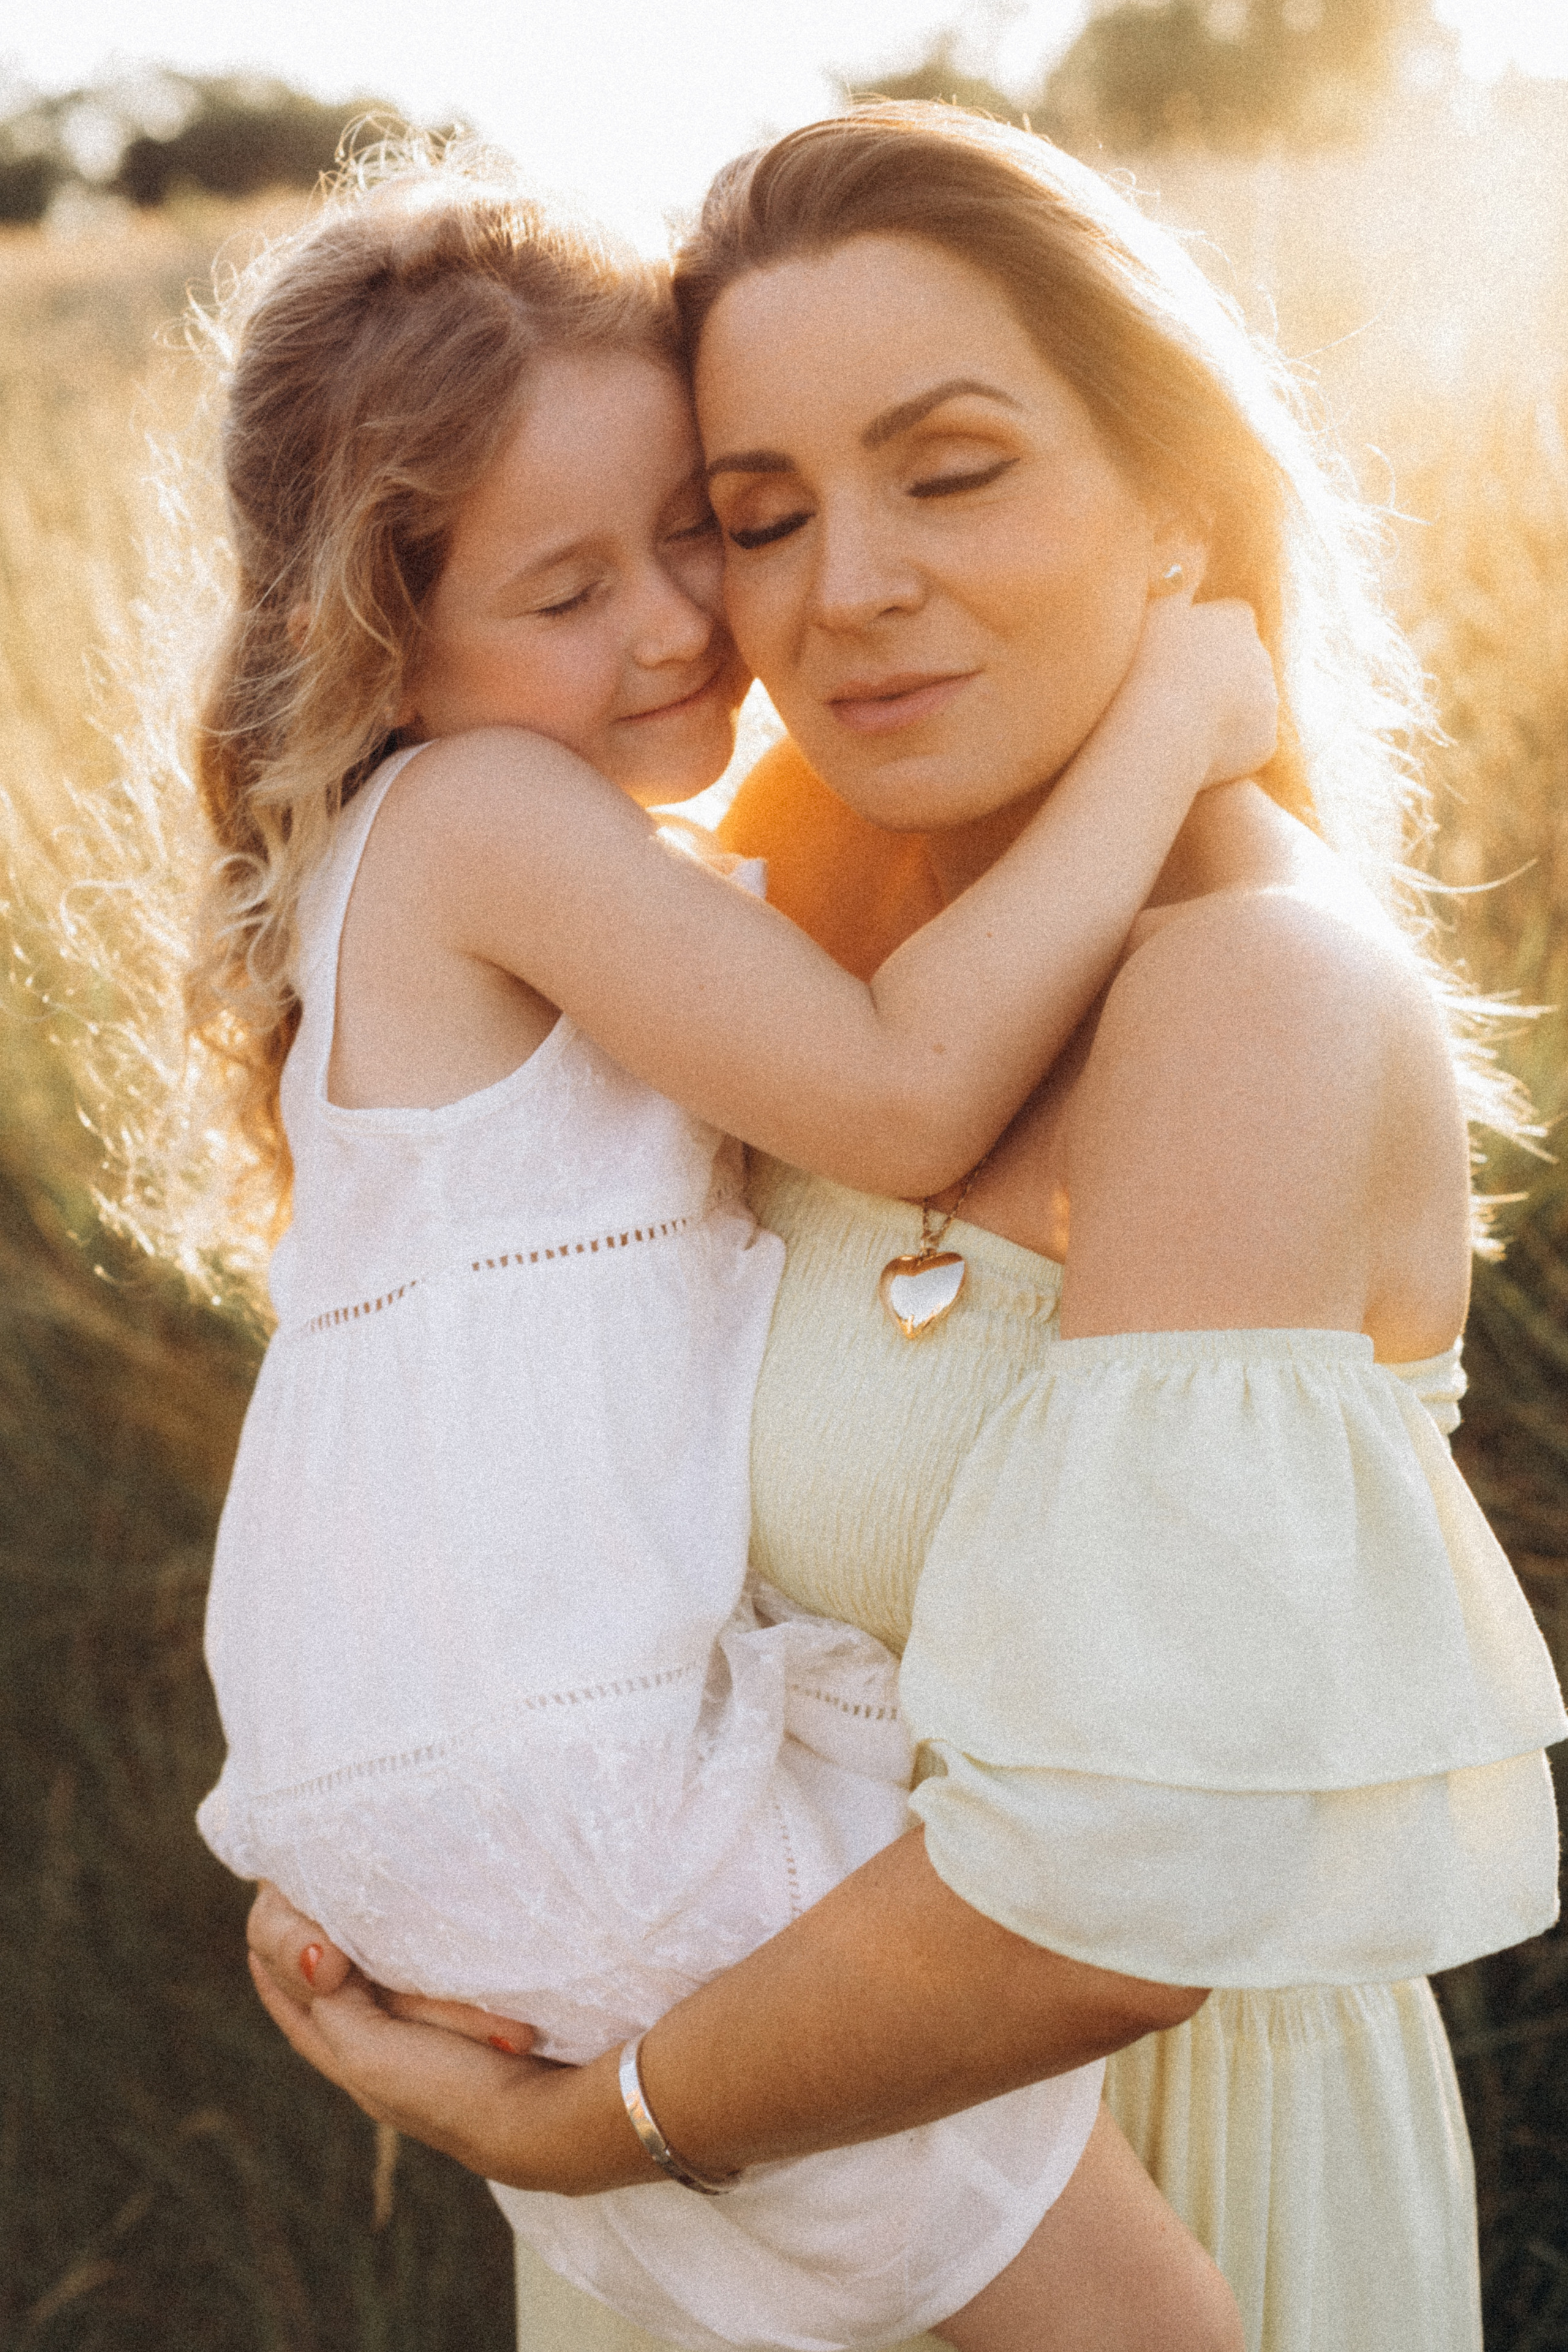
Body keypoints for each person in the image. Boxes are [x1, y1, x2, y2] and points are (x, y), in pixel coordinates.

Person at [246, 108, 1567, 2352]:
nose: (831, 590)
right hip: (726, 2153)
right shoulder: (744, 877)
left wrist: (604, 2122)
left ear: (1174, 494)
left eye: (951, 471)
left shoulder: (1251, 994)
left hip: (1099, 2139)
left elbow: (1106, 1913)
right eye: (757, 516)